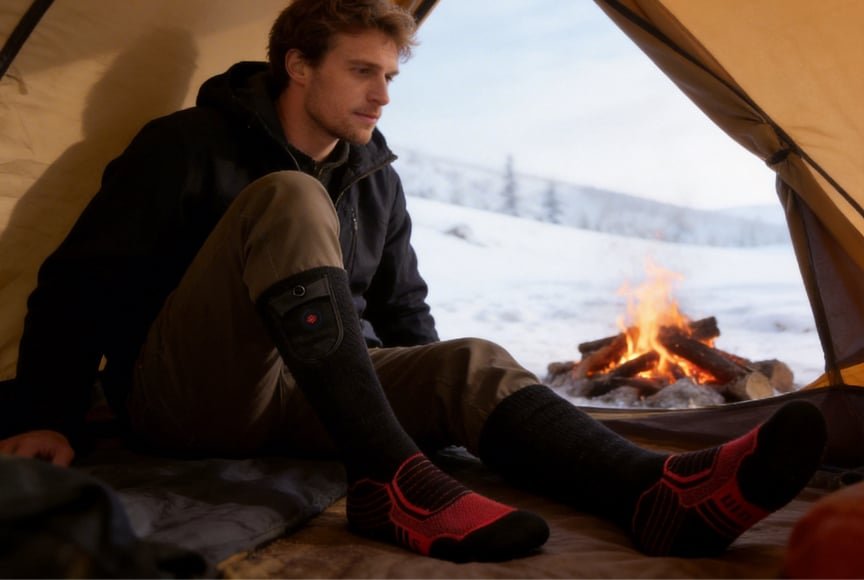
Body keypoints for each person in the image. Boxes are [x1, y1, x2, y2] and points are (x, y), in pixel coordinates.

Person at [0, 0, 827, 564]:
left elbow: (401, 309)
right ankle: (386, 481)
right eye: (363, 72)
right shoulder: (186, 146)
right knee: (289, 198)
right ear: (296, 64)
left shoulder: (374, 178)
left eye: (391, 77)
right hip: (189, 395)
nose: (382, 95)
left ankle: (653, 494)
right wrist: (44, 412)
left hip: (315, 388)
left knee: (466, 358)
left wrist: (435, 397)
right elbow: (82, 283)